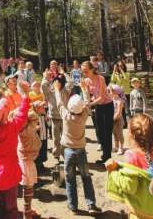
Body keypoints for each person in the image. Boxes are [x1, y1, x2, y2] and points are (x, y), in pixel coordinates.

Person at [0, 81, 31, 219]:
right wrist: (26, 95)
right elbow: (22, 114)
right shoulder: (10, 128)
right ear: (5, 115)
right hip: (9, 173)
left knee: (2, 206)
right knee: (11, 208)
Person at [55, 82, 100, 214]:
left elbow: (59, 103)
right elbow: (86, 102)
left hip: (68, 151)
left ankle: (73, 205)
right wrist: (84, 89)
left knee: (70, 179)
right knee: (86, 177)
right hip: (81, 151)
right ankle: (91, 204)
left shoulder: (66, 116)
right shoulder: (84, 115)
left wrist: (58, 90)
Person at [81, 60, 114, 164]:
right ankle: (104, 155)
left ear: (92, 69)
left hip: (107, 106)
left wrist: (90, 104)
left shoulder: (100, 78)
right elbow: (87, 95)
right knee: (100, 131)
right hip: (98, 106)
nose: (84, 74)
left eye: (86, 71)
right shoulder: (86, 80)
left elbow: (101, 97)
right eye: (83, 72)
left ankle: (107, 157)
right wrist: (83, 89)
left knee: (107, 132)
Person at [18, 101, 45, 219]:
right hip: (27, 160)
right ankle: (26, 212)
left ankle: (27, 209)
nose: (37, 122)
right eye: (35, 121)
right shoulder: (28, 132)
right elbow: (31, 131)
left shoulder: (27, 128)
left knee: (29, 186)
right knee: (28, 187)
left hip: (27, 159)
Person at [42, 73, 68, 164]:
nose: (57, 83)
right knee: (56, 138)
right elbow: (43, 85)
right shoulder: (50, 92)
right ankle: (56, 155)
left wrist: (63, 73)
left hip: (64, 117)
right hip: (54, 117)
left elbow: (71, 83)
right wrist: (46, 77)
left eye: (59, 82)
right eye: (55, 82)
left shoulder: (65, 90)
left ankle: (66, 155)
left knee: (65, 137)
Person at [29, 82, 49, 171]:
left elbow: (44, 106)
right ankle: (36, 161)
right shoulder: (29, 95)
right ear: (32, 87)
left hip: (42, 117)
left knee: (43, 139)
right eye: (35, 85)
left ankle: (41, 161)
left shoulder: (42, 94)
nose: (37, 87)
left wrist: (45, 114)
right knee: (36, 140)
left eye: (38, 85)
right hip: (34, 117)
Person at [111, 85, 126, 155]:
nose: (109, 92)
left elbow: (119, 113)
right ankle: (116, 146)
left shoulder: (119, 101)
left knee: (119, 134)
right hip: (112, 120)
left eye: (110, 91)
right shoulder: (111, 99)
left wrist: (112, 119)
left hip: (118, 120)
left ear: (116, 92)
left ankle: (121, 147)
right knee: (114, 134)